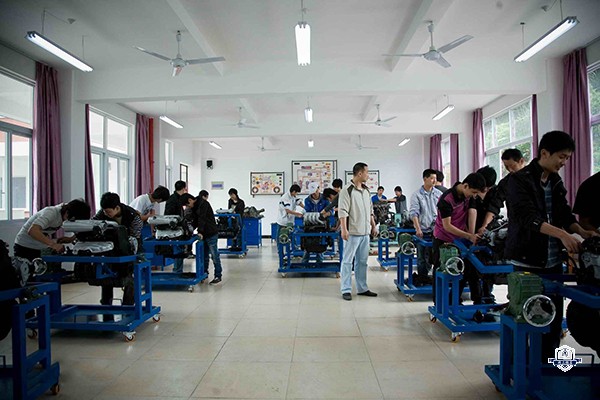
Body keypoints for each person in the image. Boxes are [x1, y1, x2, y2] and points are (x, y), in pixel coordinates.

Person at [505, 130, 598, 359]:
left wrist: (581, 231)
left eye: (567, 158)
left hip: (552, 260)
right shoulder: (518, 180)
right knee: (527, 317)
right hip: (527, 261)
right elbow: (528, 218)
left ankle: (545, 365)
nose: (564, 162)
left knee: (552, 319)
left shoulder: (555, 180)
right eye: (562, 157)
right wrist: (562, 235)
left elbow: (563, 213)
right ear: (544, 153)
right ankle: (522, 367)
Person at [432, 173, 487, 303]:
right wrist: (469, 236)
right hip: (443, 238)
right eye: (473, 192)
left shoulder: (469, 195)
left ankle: (455, 300)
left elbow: (472, 212)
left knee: (463, 268)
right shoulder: (446, 199)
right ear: (465, 186)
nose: (474, 195)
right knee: (441, 270)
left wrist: (471, 236)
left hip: (460, 238)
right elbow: (447, 226)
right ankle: (438, 303)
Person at [93, 192, 143, 306]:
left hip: (130, 249)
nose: (106, 214)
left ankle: (128, 305)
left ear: (117, 208)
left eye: (108, 211)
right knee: (106, 275)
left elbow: (135, 238)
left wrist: (129, 252)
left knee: (130, 275)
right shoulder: (101, 214)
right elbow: (92, 226)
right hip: (109, 250)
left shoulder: (133, 216)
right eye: (104, 211)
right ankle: (106, 304)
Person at [338, 162, 378, 301]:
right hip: (352, 232)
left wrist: (373, 226)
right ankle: (346, 289)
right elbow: (343, 211)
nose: (368, 175)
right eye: (367, 172)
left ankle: (362, 288)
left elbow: (370, 210)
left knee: (362, 262)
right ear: (360, 173)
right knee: (347, 261)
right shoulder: (347, 190)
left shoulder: (366, 191)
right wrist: (344, 229)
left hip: (365, 232)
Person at [14, 199, 91, 261]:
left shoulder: (67, 212)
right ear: (67, 213)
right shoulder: (51, 213)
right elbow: (33, 231)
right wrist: (54, 245)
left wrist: (71, 239)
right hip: (24, 247)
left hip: (39, 248)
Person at [409, 169, 442, 285]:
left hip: (437, 231)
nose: (434, 181)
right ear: (425, 179)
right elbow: (414, 213)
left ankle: (435, 279)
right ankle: (422, 278)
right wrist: (418, 229)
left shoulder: (439, 194)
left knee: (437, 256)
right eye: (432, 178)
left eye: (435, 178)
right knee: (422, 257)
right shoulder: (416, 195)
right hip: (423, 231)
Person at [184, 191, 223, 284]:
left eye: (187, 205)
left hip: (211, 232)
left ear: (190, 200)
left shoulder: (203, 204)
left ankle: (218, 275)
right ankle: (204, 273)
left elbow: (202, 218)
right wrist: (190, 230)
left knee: (214, 255)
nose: (188, 207)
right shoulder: (195, 206)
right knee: (204, 255)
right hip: (203, 234)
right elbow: (195, 220)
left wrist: (200, 231)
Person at [302, 182, 329, 264]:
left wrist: (324, 215)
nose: (314, 194)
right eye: (312, 193)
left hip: (322, 225)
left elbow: (330, 210)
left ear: (318, 189)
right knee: (308, 243)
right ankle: (304, 263)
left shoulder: (325, 199)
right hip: (310, 226)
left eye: (315, 192)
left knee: (320, 243)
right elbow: (307, 211)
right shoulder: (307, 200)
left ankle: (319, 263)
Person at [164, 180, 188, 274]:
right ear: (183, 188)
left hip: (177, 228)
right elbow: (169, 215)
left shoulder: (176, 198)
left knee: (179, 249)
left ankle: (178, 270)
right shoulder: (173, 200)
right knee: (178, 249)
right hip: (174, 229)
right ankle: (177, 271)